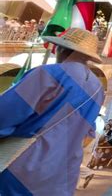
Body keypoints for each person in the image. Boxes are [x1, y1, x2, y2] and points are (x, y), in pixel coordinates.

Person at [0, 28, 104, 195]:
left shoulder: (49, 73)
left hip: (25, 163)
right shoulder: (98, 89)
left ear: (61, 49)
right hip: (63, 172)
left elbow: (7, 113)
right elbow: (88, 133)